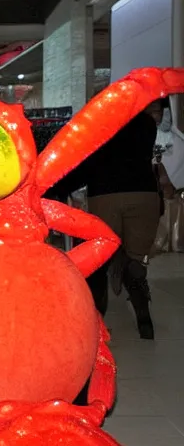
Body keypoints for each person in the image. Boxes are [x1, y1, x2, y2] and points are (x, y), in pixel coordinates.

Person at [54, 98, 164, 340]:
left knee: (99, 259)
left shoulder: (99, 127)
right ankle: (144, 319)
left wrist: (58, 188)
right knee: (136, 259)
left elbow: (88, 166)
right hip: (144, 193)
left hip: (105, 195)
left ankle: (96, 321)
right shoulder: (146, 124)